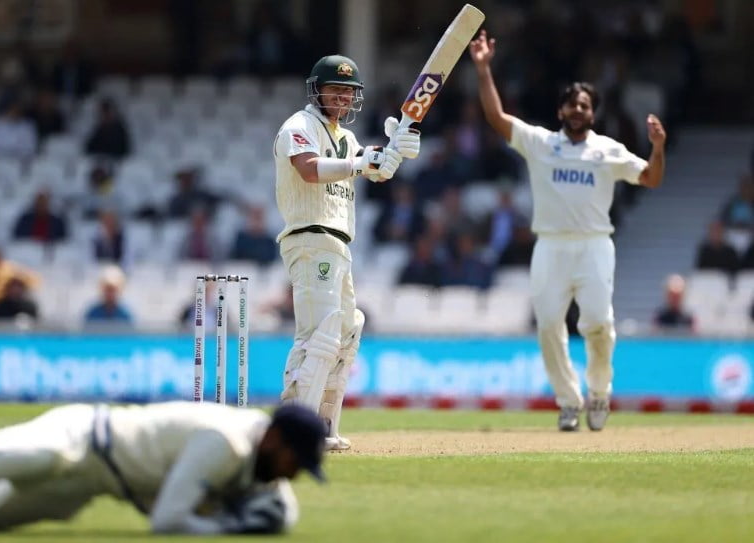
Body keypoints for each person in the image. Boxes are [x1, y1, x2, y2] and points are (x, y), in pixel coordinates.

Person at [469, 30, 667, 432]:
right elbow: (496, 118)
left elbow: (650, 178)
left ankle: (599, 392)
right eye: (572, 104)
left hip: (594, 246)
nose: (577, 110)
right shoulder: (540, 143)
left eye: (584, 105)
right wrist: (484, 69)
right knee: (548, 326)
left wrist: (658, 148)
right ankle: (569, 402)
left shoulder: (607, 150)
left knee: (598, 324)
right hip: (550, 246)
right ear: (561, 110)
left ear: (593, 114)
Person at [273, 54, 420, 450]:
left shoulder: (347, 138)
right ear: (316, 91)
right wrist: (361, 163)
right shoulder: (299, 126)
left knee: (345, 333)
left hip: (338, 244)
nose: (341, 98)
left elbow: (376, 169)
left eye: (348, 92)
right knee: (318, 336)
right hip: (309, 237)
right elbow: (309, 169)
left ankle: (323, 429)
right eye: (334, 90)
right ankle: (294, 432)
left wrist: (395, 151)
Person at [0, 403, 327, 534]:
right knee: (42, 456)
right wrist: (226, 527)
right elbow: (167, 520)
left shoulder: (260, 450)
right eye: (295, 461)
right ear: (274, 439)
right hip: (79, 437)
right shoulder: (225, 442)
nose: (293, 474)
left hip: (84, 485)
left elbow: (281, 509)